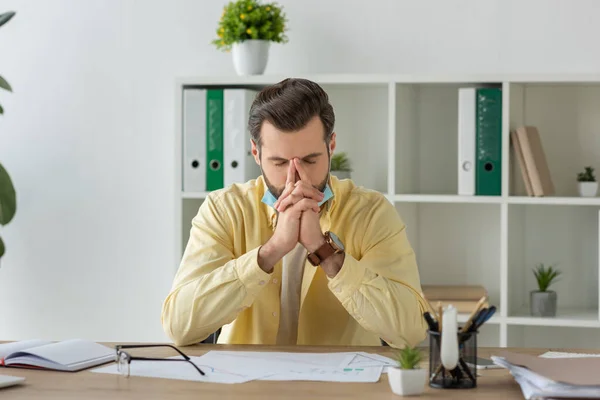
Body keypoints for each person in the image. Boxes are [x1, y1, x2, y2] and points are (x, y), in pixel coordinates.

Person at [161, 77, 428, 348]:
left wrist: (323, 250)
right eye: (279, 162)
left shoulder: (372, 213)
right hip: (247, 387)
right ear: (255, 152)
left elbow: (410, 332)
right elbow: (180, 328)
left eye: (310, 160)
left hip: (340, 385)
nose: (296, 179)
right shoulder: (224, 209)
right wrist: (271, 251)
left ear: (331, 146)